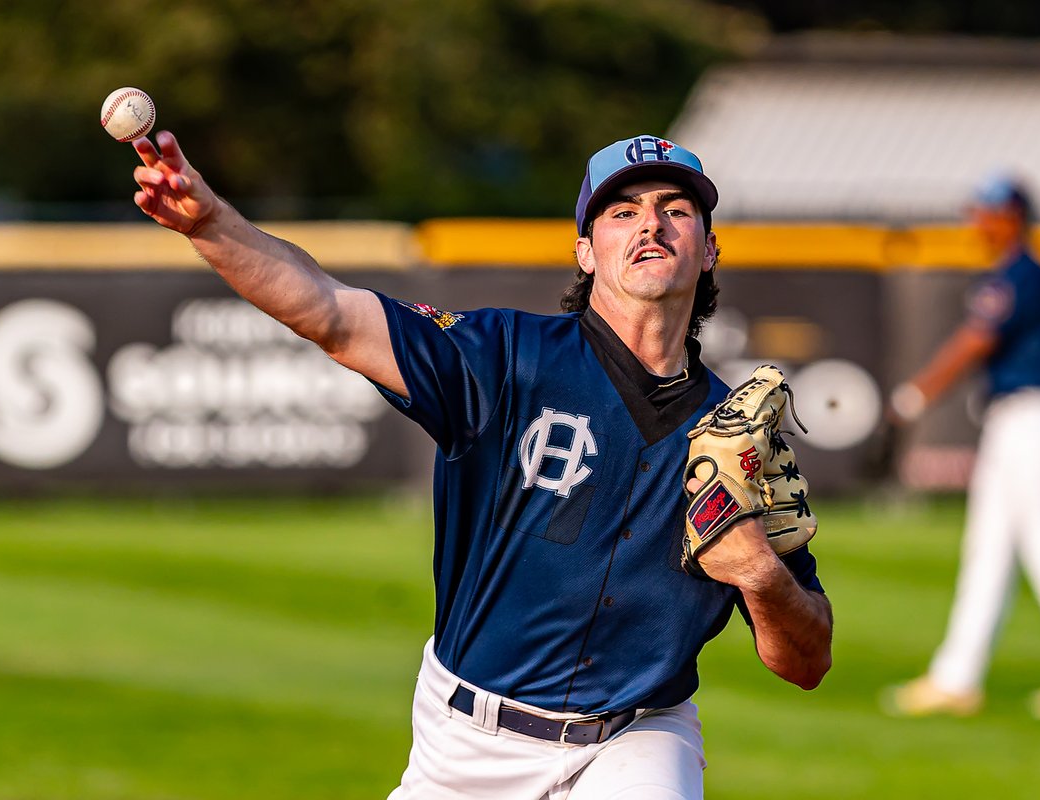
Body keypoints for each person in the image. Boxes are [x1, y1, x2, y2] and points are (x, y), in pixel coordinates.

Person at [130, 130, 832, 798]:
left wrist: (760, 575)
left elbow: (807, 662)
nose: (651, 224)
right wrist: (209, 223)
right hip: (467, 740)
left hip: (640, 737)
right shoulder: (503, 357)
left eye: (676, 211)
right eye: (623, 211)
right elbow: (330, 314)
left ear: (708, 250)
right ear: (586, 252)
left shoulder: (737, 437)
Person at [881, 174, 1040, 720]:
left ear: (1013, 215)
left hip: (1036, 419)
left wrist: (915, 396)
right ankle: (957, 676)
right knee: (988, 552)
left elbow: (977, 339)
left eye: (987, 211)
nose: (977, 221)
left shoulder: (1019, 272)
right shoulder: (1027, 272)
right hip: (1021, 420)